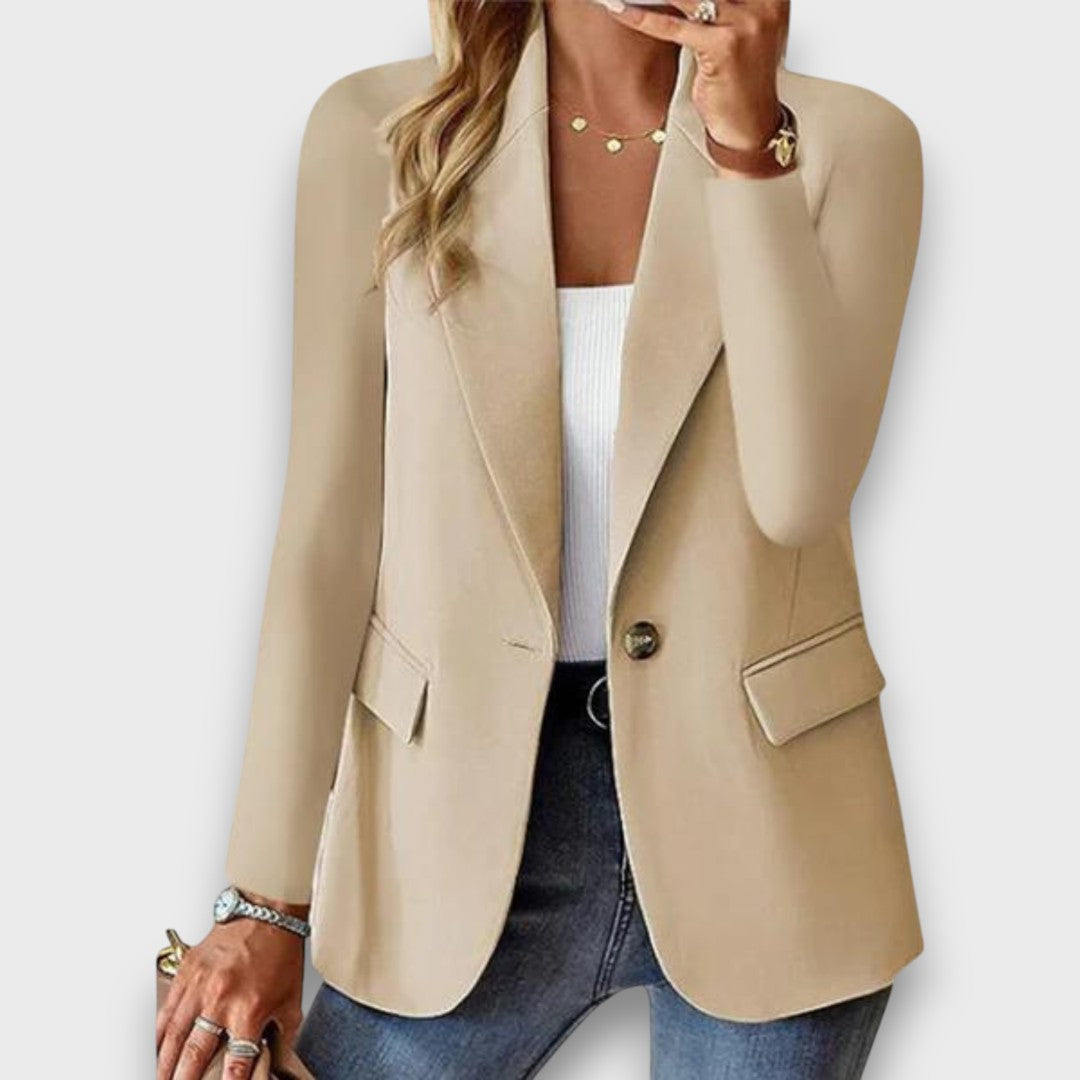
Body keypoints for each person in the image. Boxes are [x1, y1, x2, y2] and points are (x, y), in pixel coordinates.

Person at [155, 1, 926, 1076]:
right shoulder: (381, 133)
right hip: (452, 841)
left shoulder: (850, 142)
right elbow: (330, 529)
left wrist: (749, 150)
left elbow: (798, 495)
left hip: (769, 835)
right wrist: (265, 900)